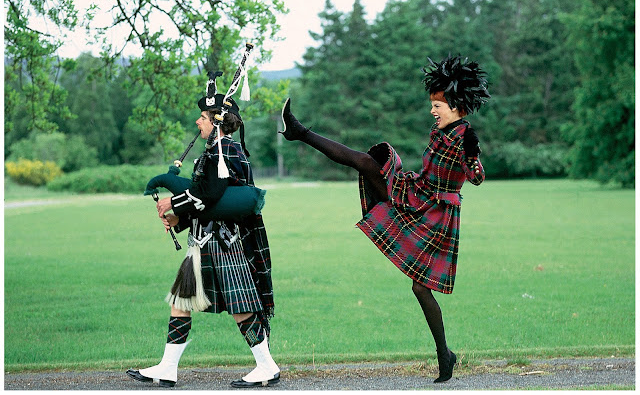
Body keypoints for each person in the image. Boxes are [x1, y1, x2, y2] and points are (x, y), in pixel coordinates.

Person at [279, 54, 489, 383]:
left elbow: (476, 178)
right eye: (432, 104)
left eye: (437, 105)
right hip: (417, 192)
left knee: (421, 289)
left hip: (439, 213)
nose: (432, 111)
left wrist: (473, 153)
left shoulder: (464, 137)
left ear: (455, 105)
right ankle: (299, 131)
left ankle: (444, 355)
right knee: (365, 162)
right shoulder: (440, 130)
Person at [126, 84, 279, 388]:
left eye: (203, 117)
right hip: (202, 242)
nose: (198, 122)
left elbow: (211, 195)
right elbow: (204, 199)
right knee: (181, 302)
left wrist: (174, 203)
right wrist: (179, 218)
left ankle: (267, 366)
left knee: (241, 305)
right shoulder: (214, 152)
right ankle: (167, 368)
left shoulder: (228, 151)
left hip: (223, 243)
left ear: (216, 121)